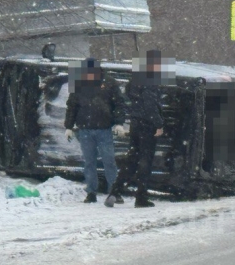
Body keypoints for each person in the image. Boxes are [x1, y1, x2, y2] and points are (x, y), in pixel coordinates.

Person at [105, 50, 165, 208]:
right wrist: (159, 124)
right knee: (145, 162)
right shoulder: (151, 79)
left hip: (136, 124)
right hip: (148, 126)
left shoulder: (135, 79)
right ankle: (141, 197)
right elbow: (150, 104)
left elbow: (131, 99)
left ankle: (115, 191)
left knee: (132, 159)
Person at [64, 58, 126, 204]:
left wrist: (118, 123)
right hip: (85, 130)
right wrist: (68, 126)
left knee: (109, 161)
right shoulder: (79, 83)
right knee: (89, 162)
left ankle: (114, 191)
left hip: (104, 129)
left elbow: (118, 104)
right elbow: (72, 106)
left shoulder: (109, 83)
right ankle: (91, 192)